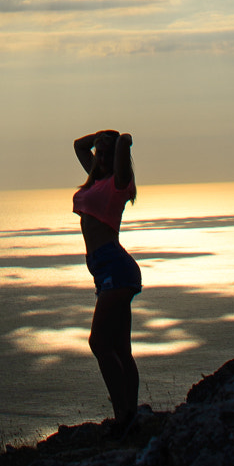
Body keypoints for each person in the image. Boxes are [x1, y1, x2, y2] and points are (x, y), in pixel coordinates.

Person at [73, 128, 141, 428]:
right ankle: (130, 414)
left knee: (99, 343)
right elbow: (78, 146)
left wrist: (121, 141)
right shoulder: (98, 179)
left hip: (116, 268)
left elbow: (124, 147)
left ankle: (122, 414)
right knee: (120, 349)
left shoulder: (118, 183)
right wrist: (100, 136)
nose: (99, 158)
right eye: (98, 153)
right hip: (104, 272)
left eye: (105, 154)